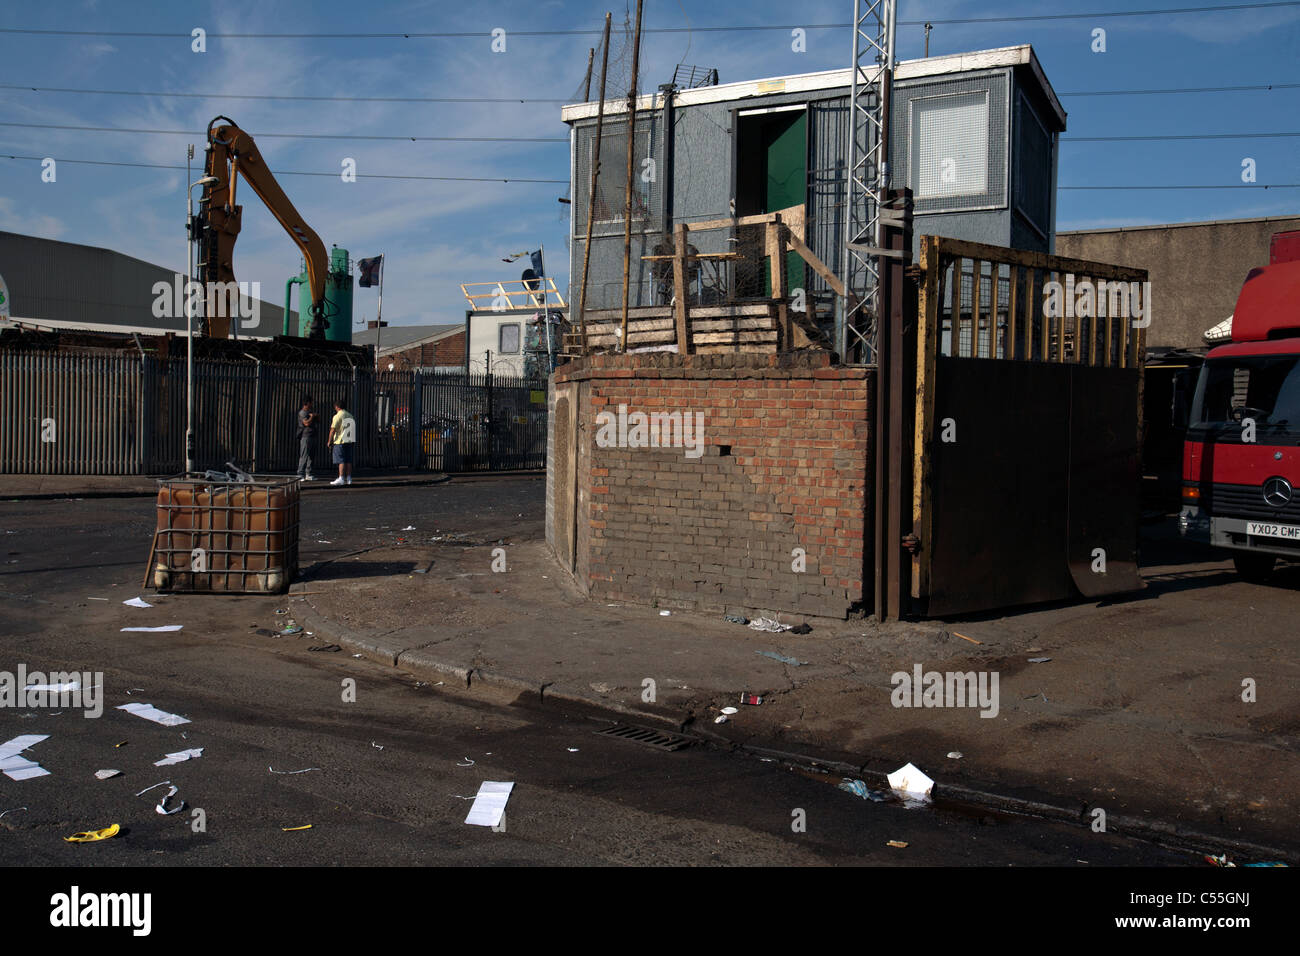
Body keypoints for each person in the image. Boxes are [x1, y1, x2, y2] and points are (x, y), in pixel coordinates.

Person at [327, 399, 357, 486]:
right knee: (348, 460)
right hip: (349, 440)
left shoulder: (337, 416)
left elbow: (333, 429)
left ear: (337, 407)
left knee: (341, 460)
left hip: (340, 440)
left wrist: (329, 441)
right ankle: (349, 478)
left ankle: (341, 478)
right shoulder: (350, 416)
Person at [296, 395, 317, 481]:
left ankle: (309, 473)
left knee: (311, 456)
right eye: (311, 402)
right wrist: (312, 417)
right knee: (304, 455)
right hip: (306, 436)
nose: (312, 404)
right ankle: (300, 474)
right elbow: (306, 423)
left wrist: (315, 416)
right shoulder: (302, 413)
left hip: (312, 435)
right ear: (307, 403)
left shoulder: (310, 412)